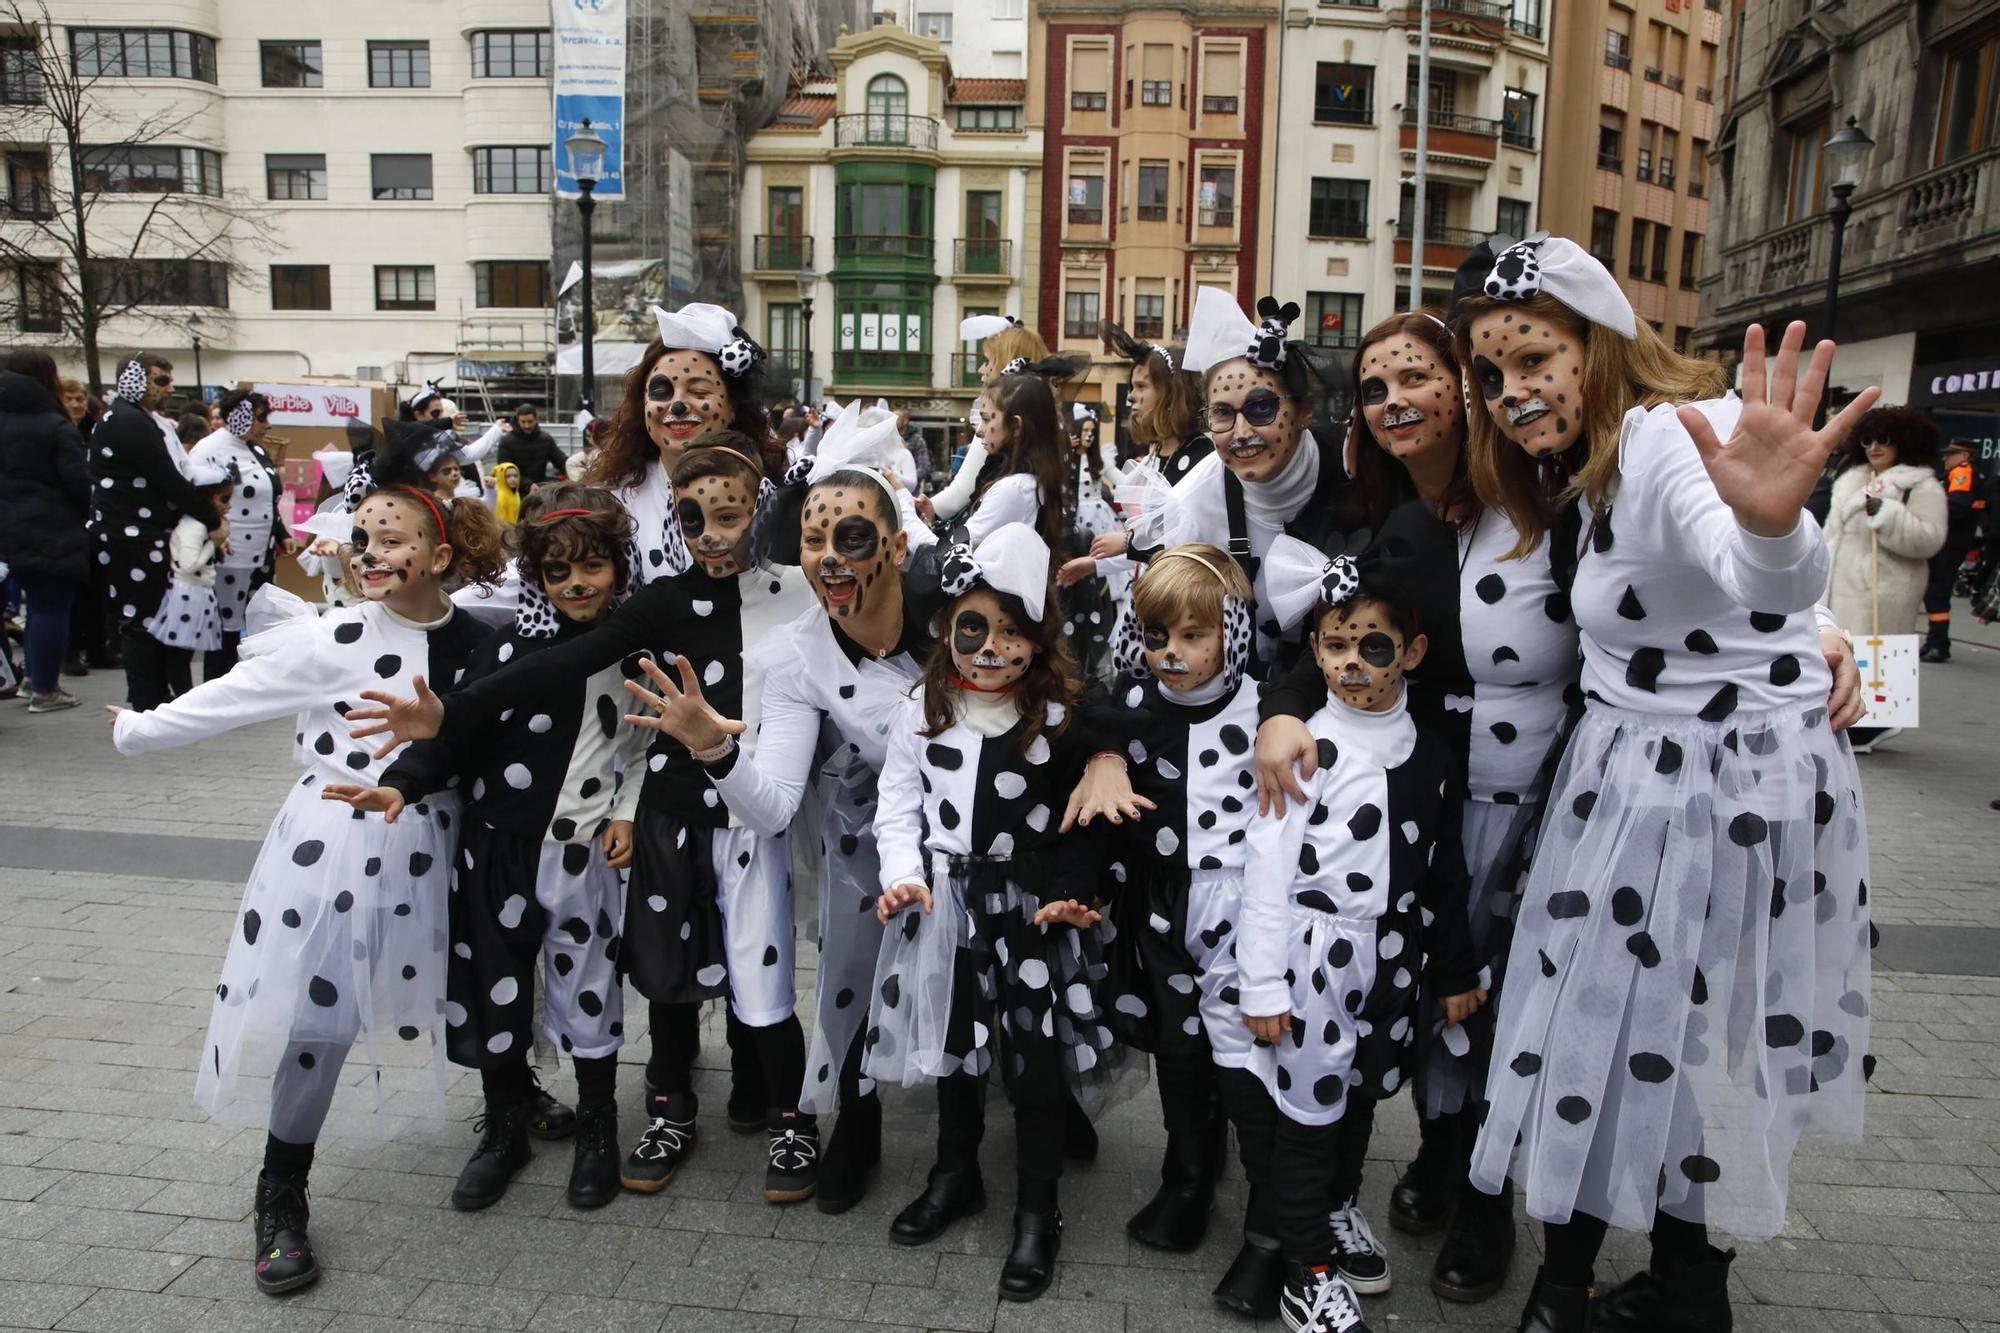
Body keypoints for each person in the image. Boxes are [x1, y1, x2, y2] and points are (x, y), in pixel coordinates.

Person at [1451, 236, 1875, 1333]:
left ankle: (1586, 1291)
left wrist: (1776, 527)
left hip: (1698, 795)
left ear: (1599, 344)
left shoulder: (1662, 439)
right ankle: (1665, 1289)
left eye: (1534, 357)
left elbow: (1755, 572)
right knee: (1641, 1034)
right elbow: (1737, 610)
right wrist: (1807, 621)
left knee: (1615, 1028)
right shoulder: (1600, 462)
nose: (1511, 393)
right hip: (1654, 778)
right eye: (1492, 374)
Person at [348, 439, 820, 1203]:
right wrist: (435, 737)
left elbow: (869, 632)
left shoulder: (776, 595)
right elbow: (544, 674)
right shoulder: (638, 615)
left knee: (743, 977)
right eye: (693, 517)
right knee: (640, 977)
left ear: (759, 508)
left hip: (731, 819)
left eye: (730, 513)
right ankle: (580, 1118)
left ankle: (771, 1116)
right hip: (601, 832)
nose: (713, 533)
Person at [108, 437, 505, 1297]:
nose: (372, 555)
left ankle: (513, 1104)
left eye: (393, 540)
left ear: (439, 555)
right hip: (336, 850)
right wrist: (139, 727)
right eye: (362, 539)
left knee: (474, 976)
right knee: (322, 1021)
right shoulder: (334, 637)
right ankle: (280, 1190)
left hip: (440, 844)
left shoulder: (481, 634)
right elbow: (231, 697)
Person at [326, 485, 649, 1211]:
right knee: (495, 982)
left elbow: (642, 745)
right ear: (534, 576)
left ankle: (599, 1123)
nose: (576, 584)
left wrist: (627, 812)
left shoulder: (633, 650)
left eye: (592, 566)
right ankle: (505, 1125)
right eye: (557, 572)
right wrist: (400, 786)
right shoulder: (503, 646)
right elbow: (453, 732)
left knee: (589, 984)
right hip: (497, 848)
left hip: (583, 853)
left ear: (618, 568)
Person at [865, 522, 1120, 1303]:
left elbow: (1089, 815)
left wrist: (1078, 890)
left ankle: (1039, 1210)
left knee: (1034, 1063)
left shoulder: (1059, 717)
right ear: (947, 628)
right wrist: (903, 874)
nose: (991, 645)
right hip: (944, 909)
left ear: (1042, 642)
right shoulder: (922, 706)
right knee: (954, 1051)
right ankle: (955, 1172)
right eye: (975, 626)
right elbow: (896, 805)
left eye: (1014, 630)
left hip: (1031, 914)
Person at [1235, 556, 1479, 1333]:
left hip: (1392, 959)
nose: (1351, 664)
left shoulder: (1433, 752)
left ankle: (1337, 1212)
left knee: (1362, 1095)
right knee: (1309, 1117)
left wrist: (1451, 965)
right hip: (1314, 959)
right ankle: (1304, 1267)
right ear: (1315, 647)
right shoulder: (1303, 744)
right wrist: (1263, 983)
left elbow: (1446, 868)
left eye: (1373, 647)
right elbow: (1267, 869)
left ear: (1411, 653)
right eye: (1335, 645)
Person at [1091, 547, 1260, 1270]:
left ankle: (1271, 1201)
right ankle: (1187, 1174)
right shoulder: (1132, 707)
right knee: (1179, 1042)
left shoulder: (1266, 705)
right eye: (1158, 636)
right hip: (1160, 898)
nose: (1174, 653)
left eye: (1195, 634)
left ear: (1233, 633)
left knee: (1243, 1051)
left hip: (1243, 900)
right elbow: (1094, 714)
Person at [90, 355, 226, 710]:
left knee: (150, 615)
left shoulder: (139, 419)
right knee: (141, 618)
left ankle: (155, 696)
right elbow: (165, 477)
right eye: (161, 381)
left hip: (140, 532)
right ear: (135, 380)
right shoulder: (127, 420)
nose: (169, 388)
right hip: (131, 535)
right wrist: (211, 519)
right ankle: (145, 699)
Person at [1822, 405, 1945, 752]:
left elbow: (1931, 538)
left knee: (1880, 651)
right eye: (1867, 439)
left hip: (1886, 583)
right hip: (1844, 578)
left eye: (1884, 440)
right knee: (1846, 648)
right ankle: (1850, 715)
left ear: (1904, 442)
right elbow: (1834, 529)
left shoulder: (1920, 486)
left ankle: (1879, 721)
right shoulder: (1851, 479)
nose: (1874, 447)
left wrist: (1890, 515)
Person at [0, 349, 91, 712]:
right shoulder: (52, 423)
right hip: (52, 528)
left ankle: (31, 679)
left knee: (35, 605)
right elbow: (77, 480)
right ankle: (46, 689)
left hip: (11, 527)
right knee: (52, 606)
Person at [189, 391, 297, 677]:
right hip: (231, 553)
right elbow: (197, 497)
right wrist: (213, 530)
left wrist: (281, 531)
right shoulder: (209, 448)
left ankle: (250, 681)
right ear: (240, 416)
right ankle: (217, 683)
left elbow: (267, 497)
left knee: (258, 617)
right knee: (227, 623)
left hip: (262, 551)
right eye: (261, 417)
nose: (268, 424)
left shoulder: (256, 448)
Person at [922, 315, 1051, 526]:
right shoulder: (1048, 418)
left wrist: (914, 513)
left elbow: (960, 493)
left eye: (988, 361)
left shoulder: (999, 427)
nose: (982, 369)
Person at [141, 457, 234, 698]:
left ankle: (181, 695)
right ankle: (183, 696)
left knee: (181, 653)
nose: (229, 506)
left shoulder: (199, 524)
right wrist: (213, 545)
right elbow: (189, 563)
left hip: (195, 592)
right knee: (180, 654)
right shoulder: (195, 525)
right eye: (224, 499)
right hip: (188, 592)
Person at [1922, 438, 1980, 662]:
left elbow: (1956, 507)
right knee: (1937, 591)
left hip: (1948, 542)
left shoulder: (1962, 473)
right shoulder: (1954, 474)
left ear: (1964, 456)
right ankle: (1936, 641)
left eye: (1951, 454)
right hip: (1951, 542)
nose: (1945, 458)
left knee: (1937, 591)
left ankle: (1938, 644)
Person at [498, 403, 567, 489]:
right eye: (523, 422)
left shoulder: (546, 440)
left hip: (539, 490)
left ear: (536, 419)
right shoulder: (506, 442)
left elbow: (561, 461)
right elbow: (503, 471)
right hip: (515, 494)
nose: (527, 425)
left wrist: (574, 466)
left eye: (530, 422)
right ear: (517, 420)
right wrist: (528, 485)